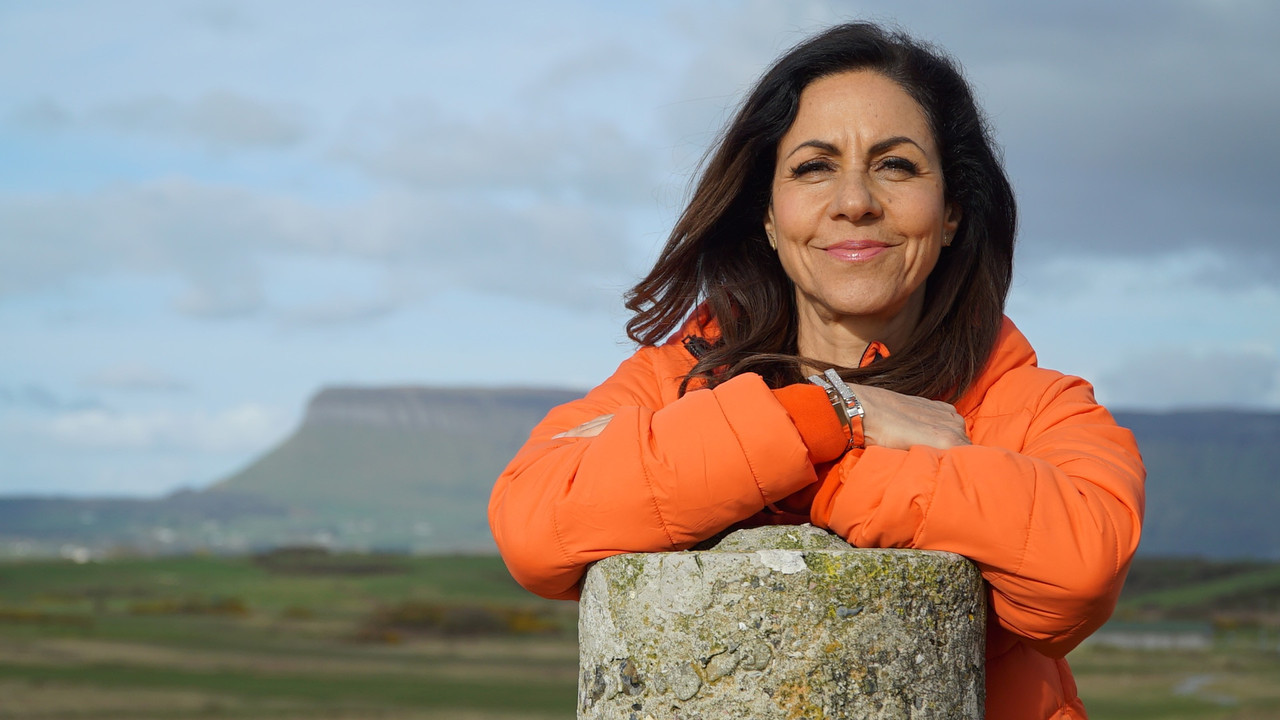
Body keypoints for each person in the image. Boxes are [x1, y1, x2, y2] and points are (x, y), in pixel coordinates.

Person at [488, 21, 1144, 720]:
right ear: (768, 216)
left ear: (951, 211)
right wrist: (827, 416)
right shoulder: (673, 378)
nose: (855, 200)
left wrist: (802, 467)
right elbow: (533, 525)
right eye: (813, 167)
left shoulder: (1041, 409)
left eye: (896, 165)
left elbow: (1078, 573)